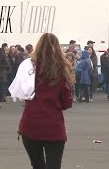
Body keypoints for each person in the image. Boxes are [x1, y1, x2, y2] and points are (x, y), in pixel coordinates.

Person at [18, 33, 73, 169]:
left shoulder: (29, 67)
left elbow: (21, 91)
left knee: (37, 165)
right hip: (53, 126)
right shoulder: (62, 70)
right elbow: (66, 103)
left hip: (30, 124)